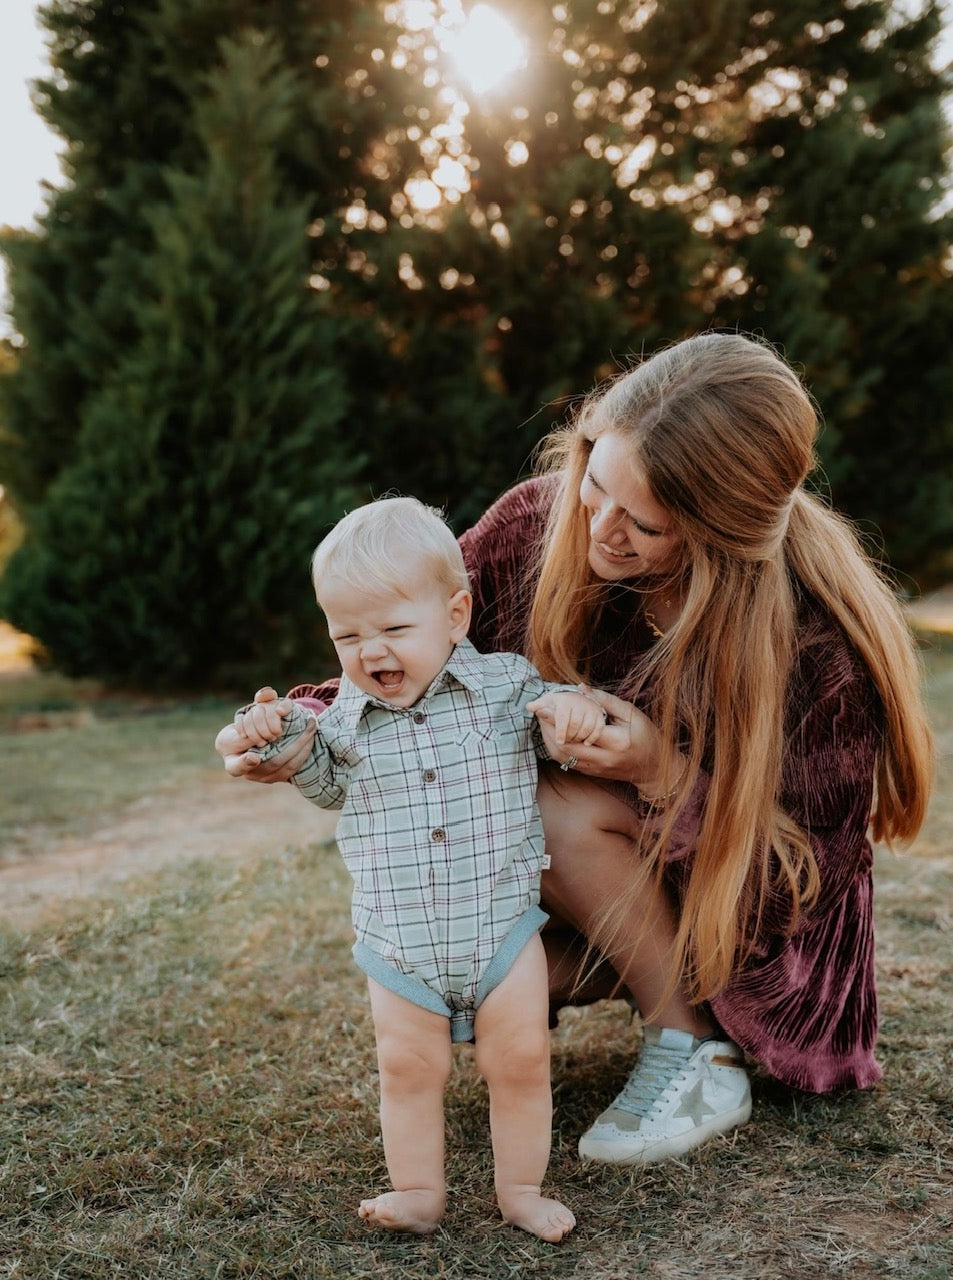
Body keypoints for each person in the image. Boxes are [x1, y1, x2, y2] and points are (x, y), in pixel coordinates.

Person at [217, 332, 934, 1172]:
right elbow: (412, 653)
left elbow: (801, 890)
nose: (601, 528)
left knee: (548, 806)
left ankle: (695, 1049)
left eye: (646, 523)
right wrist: (292, 729)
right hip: (606, 880)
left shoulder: (815, 645)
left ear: (723, 531)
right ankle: (623, 969)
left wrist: (657, 771)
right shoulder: (539, 517)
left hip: (761, 929)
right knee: (464, 960)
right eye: (596, 480)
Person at [229, 496, 610, 1241]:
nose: (372, 652)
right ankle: (417, 1191)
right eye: (348, 636)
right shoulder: (339, 719)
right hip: (399, 939)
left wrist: (572, 714)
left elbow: (559, 722)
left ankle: (522, 1190)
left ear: (455, 614)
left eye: (395, 629)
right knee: (405, 1068)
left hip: (498, 927)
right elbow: (322, 782)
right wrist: (275, 740)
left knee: (521, 1058)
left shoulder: (503, 688)